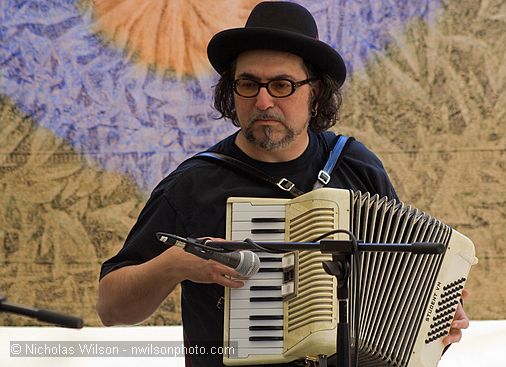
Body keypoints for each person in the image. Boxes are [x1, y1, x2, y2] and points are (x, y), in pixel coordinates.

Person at [96, 2, 470, 366]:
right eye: (248, 83)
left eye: (281, 85)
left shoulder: (356, 166)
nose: (262, 101)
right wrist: (173, 265)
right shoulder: (193, 184)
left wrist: (435, 322)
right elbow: (111, 308)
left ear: (315, 92)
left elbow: (401, 285)